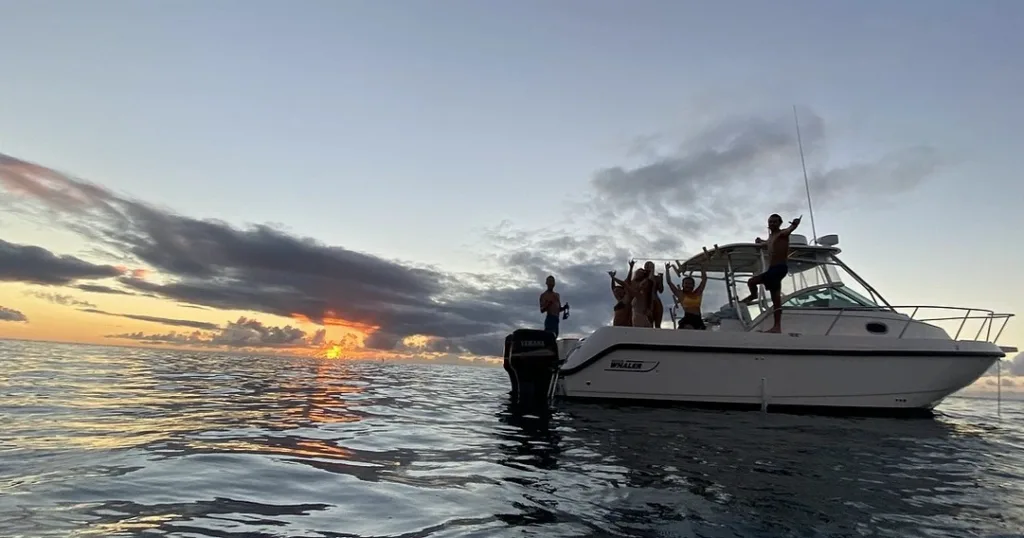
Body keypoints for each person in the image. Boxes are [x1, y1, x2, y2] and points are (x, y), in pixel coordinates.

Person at [740, 213, 801, 333]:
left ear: (780, 223)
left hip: (779, 268)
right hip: (773, 269)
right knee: (775, 298)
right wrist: (760, 241)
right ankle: (777, 327)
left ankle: (754, 296)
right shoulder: (771, 237)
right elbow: (766, 244)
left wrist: (795, 224)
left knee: (752, 282)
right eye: (770, 222)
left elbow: (790, 229)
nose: (772, 224)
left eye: (774, 222)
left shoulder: (782, 234)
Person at [666, 257, 708, 330]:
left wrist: (702, 267)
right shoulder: (681, 295)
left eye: (690, 284)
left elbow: (704, 279)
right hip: (688, 319)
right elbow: (669, 282)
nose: (688, 285)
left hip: (698, 319)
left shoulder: (697, 293)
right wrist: (667, 270)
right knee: (689, 329)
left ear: (693, 285)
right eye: (686, 283)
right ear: (683, 285)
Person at [613, 259, 653, 327]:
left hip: (636, 308)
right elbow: (625, 283)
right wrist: (631, 267)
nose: (639, 273)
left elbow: (625, 284)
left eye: (641, 273)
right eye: (638, 272)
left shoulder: (641, 288)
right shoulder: (632, 283)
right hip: (630, 305)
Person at [644, 261, 665, 328]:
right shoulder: (642, 278)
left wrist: (661, 280)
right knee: (648, 323)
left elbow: (661, 290)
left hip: (656, 300)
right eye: (649, 267)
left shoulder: (656, 278)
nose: (650, 269)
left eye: (652, 267)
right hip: (646, 301)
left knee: (657, 324)